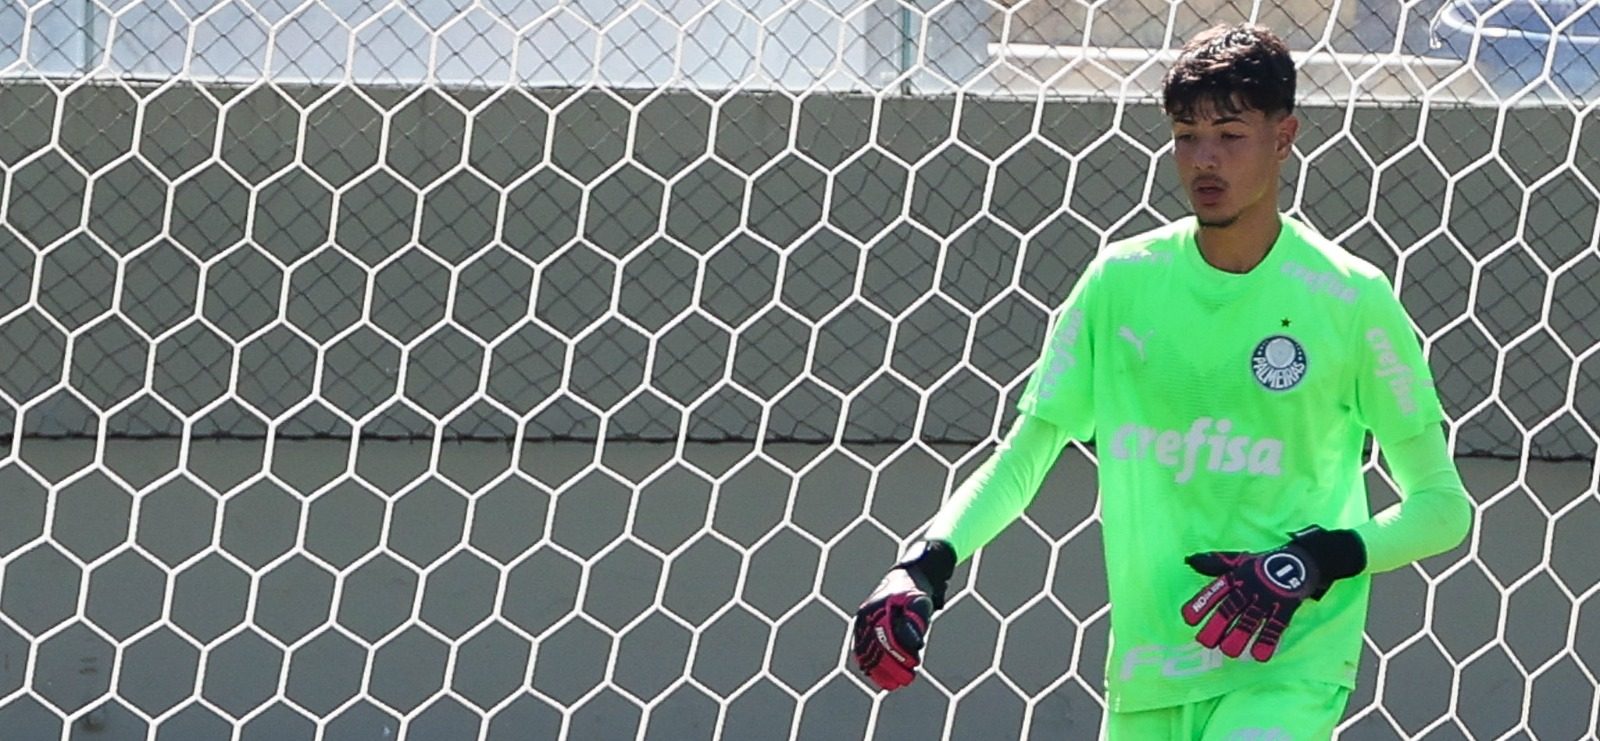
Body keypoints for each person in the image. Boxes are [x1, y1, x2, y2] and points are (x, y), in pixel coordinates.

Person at [849, 23, 1473, 740]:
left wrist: (1315, 557)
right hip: (1150, 672)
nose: (1204, 159)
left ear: (1285, 135)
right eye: (1186, 135)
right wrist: (925, 563)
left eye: (1230, 134)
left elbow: (1441, 507)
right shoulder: (1121, 283)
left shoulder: (1350, 298)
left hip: (1287, 663)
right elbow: (1025, 456)